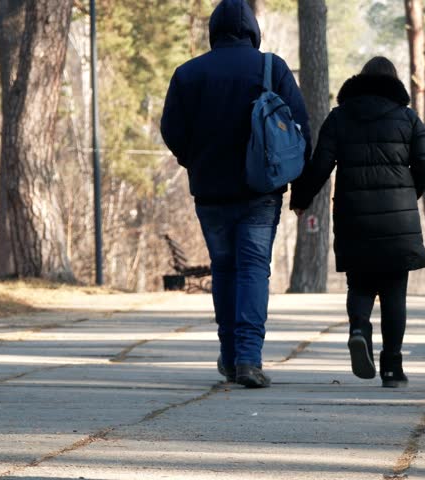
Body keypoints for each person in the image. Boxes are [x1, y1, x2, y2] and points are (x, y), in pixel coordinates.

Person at [160, 0, 311, 388]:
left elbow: (171, 130)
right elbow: (299, 127)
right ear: (252, 31)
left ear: (213, 31)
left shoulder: (188, 73)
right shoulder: (270, 67)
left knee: (224, 268)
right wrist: (294, 176)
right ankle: (248, 358)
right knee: (253, 269)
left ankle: (229, 356)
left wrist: (192, 159)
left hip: (210, 190)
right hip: (260, 189)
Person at [290, 57, 425, 388]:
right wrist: (408, 195)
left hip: (354, 216)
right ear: (394, 82)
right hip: (398, 221)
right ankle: (392, 369)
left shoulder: (341, 117)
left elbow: (320, 165)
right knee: (394, 293)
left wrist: (300, 199)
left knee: (360, 285)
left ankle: (358, 331)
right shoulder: (409, 118)